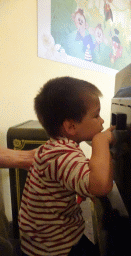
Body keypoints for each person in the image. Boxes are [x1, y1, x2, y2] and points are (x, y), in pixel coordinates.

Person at [19, 76, 115, 256]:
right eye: (96, 115)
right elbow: (101, 186)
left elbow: (75, 172)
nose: (102, 121)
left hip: (50, 235)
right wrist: (100, 141)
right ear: (71, 126)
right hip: (54, 247)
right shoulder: (61, 155)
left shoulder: (55, 147)